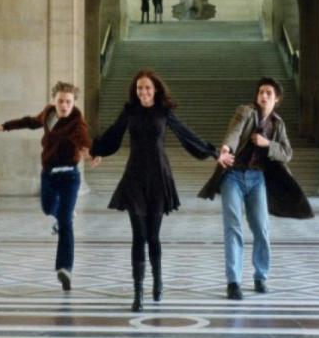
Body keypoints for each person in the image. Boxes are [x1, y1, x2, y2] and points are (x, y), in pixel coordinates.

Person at [90, 70, 223, 312]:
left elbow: (186, 135)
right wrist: (96, 150)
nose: (143, 92)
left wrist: (212, 153)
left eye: (148, 88)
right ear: (135, 90)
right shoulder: (129, 112)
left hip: (159, 179)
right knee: (138, 236)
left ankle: (158, 280)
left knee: (153, 236)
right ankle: (138, 291)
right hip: (134, 178)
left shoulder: (164, 113)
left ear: (156, 90)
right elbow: (113, 133)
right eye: (140, 88)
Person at [199, 77, 312, 300]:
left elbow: (287, 153)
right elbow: (234, 131)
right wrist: (225, 149)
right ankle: (233, 282)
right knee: (233, 227)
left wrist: (266, 144)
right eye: (261, 91)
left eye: (269, 93)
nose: (264, 96)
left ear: (276, 99)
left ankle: (261, 276)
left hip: (257, 178)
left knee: (261, 228)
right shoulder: (246, 111)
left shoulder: (278, 124)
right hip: (233, 176)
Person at [0, 82, 92, 291]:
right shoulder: (48, 113)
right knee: (47, 208)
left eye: (68, 102)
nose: (64, 105)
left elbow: (84, 140)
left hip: (70, 177)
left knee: (64, 223)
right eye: (61, 101)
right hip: (49, 174)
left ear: (74, 103)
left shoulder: (77, 122)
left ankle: (65, 269)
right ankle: (64, 216)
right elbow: (30, 121)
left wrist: (90, 152)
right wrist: (5, 126)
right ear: (54, 100)